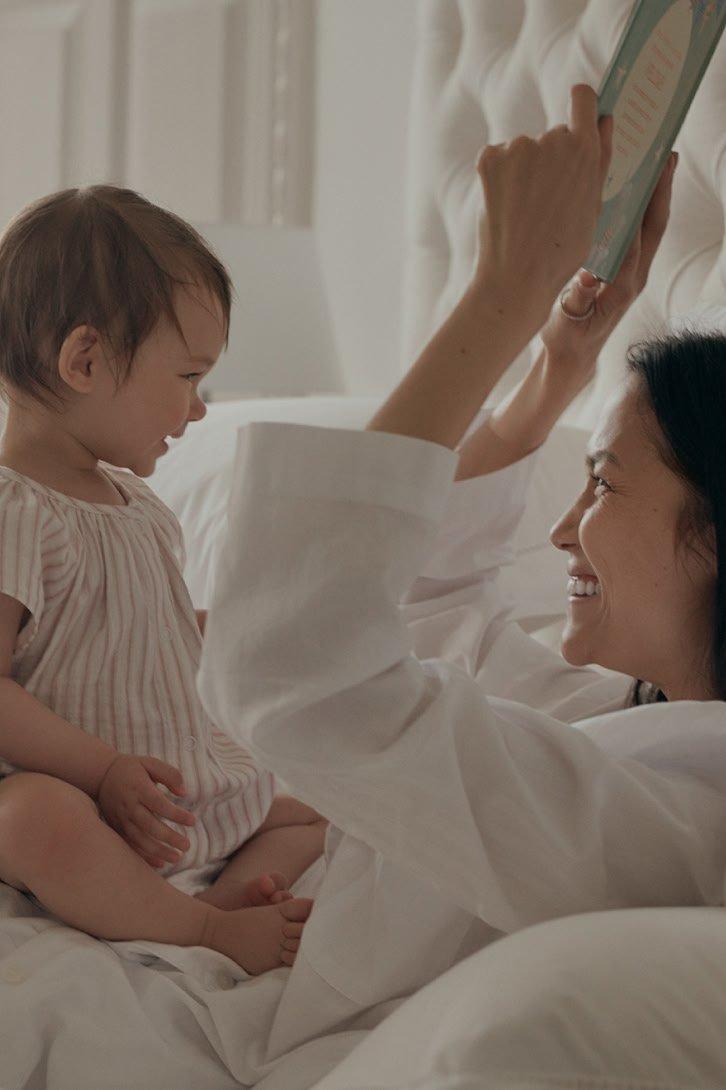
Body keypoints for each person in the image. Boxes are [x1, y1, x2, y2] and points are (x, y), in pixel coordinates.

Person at [195, 84, 726, 1056]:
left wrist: (503, 290)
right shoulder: (623, 717)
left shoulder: (692, 806)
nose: (562, 529)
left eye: (602, 485)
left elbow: (298, 666)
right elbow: (431, 596)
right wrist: (559, 361)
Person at [0, 185, 325, 976]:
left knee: (318, 808)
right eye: (189, 377)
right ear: (84, 361)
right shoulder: (15, 509)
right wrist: (101, 773)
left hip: (168, 806)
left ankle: (196, 907)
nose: (201, 409)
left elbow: (150, 628)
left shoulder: (138, 505)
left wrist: (257, 626)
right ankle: (207, 936)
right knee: (30, 820)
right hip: (80, 798)